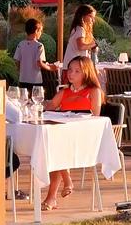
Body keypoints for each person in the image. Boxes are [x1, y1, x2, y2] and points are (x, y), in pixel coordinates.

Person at [41, 56, 106, 208]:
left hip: (85, 137)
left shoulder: (94, 91)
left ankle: (56, 192)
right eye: (70, 70)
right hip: (65, 137)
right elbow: (49, 106)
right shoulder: (64, 92)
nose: (71, 74)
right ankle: (61, 186)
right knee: (56, 145)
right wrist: (36, 101)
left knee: (56, 146)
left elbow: (95, 116)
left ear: (86, 73)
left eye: (77, 71)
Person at [13, 17, 49, 88]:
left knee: (23, 99)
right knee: (36, 98)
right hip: (36, 80)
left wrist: (21, 73)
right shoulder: (39, 46)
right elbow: (39, 63)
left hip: (23, 79)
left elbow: (16, 62)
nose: (41, 33)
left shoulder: (21, 44)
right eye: (40, 31)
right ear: (36, 31)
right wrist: (50, 67)